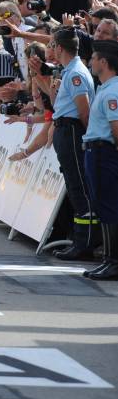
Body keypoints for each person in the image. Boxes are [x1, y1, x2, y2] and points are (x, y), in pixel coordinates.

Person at [46, 27, 98, 260]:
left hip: (73, 133)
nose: (50, 49)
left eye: (52, 45)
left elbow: (84, 112)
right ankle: (81, 240)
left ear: (59, 47)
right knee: (74, 186)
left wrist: (86, 139)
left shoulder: (76, 73)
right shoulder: (69, 71)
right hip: (65, 130)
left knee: (79, 189)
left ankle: (85, 243)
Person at [82, 40, 118, 280]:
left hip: (104, 153)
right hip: (96, 152)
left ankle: (114, 261)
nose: (91, 62)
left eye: (94, 58)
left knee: (109, 207)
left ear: (103, 62)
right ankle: (109, 258)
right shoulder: (105, 88)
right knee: (102, 206)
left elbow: (116, 129)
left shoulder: (113, 92)